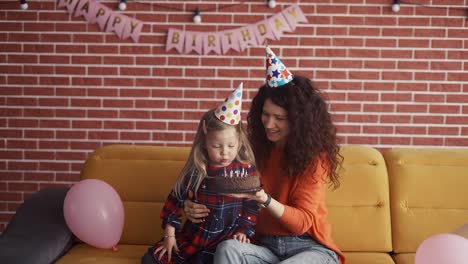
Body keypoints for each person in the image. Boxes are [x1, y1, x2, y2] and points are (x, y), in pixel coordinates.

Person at [183, 47, 346, 264]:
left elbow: (302, 223)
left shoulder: (315, 158)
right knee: (228, 249)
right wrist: (191, 205)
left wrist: (264, 198)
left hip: (310, 248)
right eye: (266, 114)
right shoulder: (251, 151)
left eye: (279, 117)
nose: (269, 124)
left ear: (298, 120)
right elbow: (219, 187)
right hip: (264, 248)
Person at [141, 83, 261, 264]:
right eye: (217, 146)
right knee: (150, 260)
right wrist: (170, 236)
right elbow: (173, 203)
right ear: (205, 143)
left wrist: (244, 230)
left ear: (240, 143)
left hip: (225, 244)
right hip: (194, 239)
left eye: (231, 146)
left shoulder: (246, 171)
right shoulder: (197, 171)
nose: (225, 153)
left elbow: (252, 205)